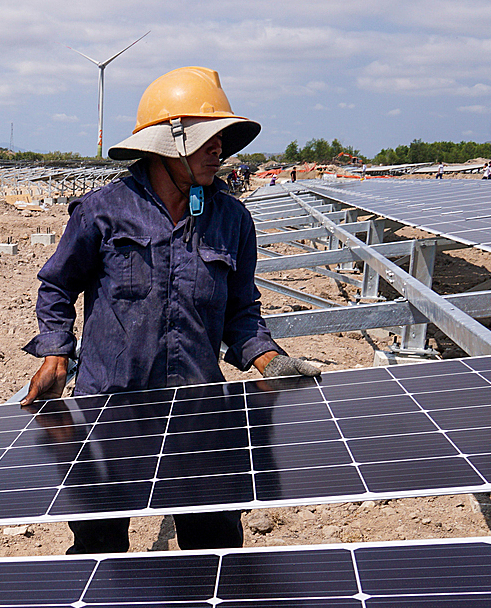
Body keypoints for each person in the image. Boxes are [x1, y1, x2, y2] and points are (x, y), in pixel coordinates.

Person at [20, 66, 320, 555]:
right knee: (100, 549)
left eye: (221, 137)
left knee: (215, 548)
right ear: (168, 143)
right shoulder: (103, 211)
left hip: (198, 410)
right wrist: (55, 352)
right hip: (109, 409)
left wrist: (271, 360)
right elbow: (56, 286)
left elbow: (242, 314)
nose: (219, 149)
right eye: (207, 139)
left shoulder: (232, 219)